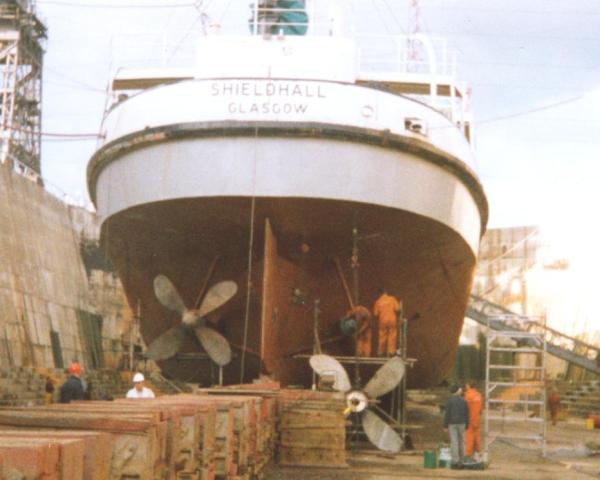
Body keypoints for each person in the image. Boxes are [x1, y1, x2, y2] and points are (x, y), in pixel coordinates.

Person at [444, 384, 469, 469]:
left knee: (454, 442)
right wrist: (467, 424)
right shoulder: (464, 401)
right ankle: (462, 461)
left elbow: (447, 414)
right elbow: (467, 414)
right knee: (462, 442)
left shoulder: (449, 401)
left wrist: (445, 425)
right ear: (458, 391)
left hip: (452, 423)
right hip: (462, 423)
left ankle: (455, 462)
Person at [373, 288, 401, 356]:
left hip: (382, 321)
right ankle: (391, 352)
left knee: (382, 336)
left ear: (379, 294)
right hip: (392, 320)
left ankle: (380, 352)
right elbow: (398, 309)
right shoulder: (392, 299)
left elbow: (375, 314)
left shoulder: (378, 301)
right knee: (392, 335)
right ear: (385, 292)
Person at [464, 381, 483, 460]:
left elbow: (465, 408)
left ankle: (468, 454)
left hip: (470, 418)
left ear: (468, 386)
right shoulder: (479, 395)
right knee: (476, 435)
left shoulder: (467, 395)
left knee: (469, 436)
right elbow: (481, 409)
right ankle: (478, 451)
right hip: (477, 418)